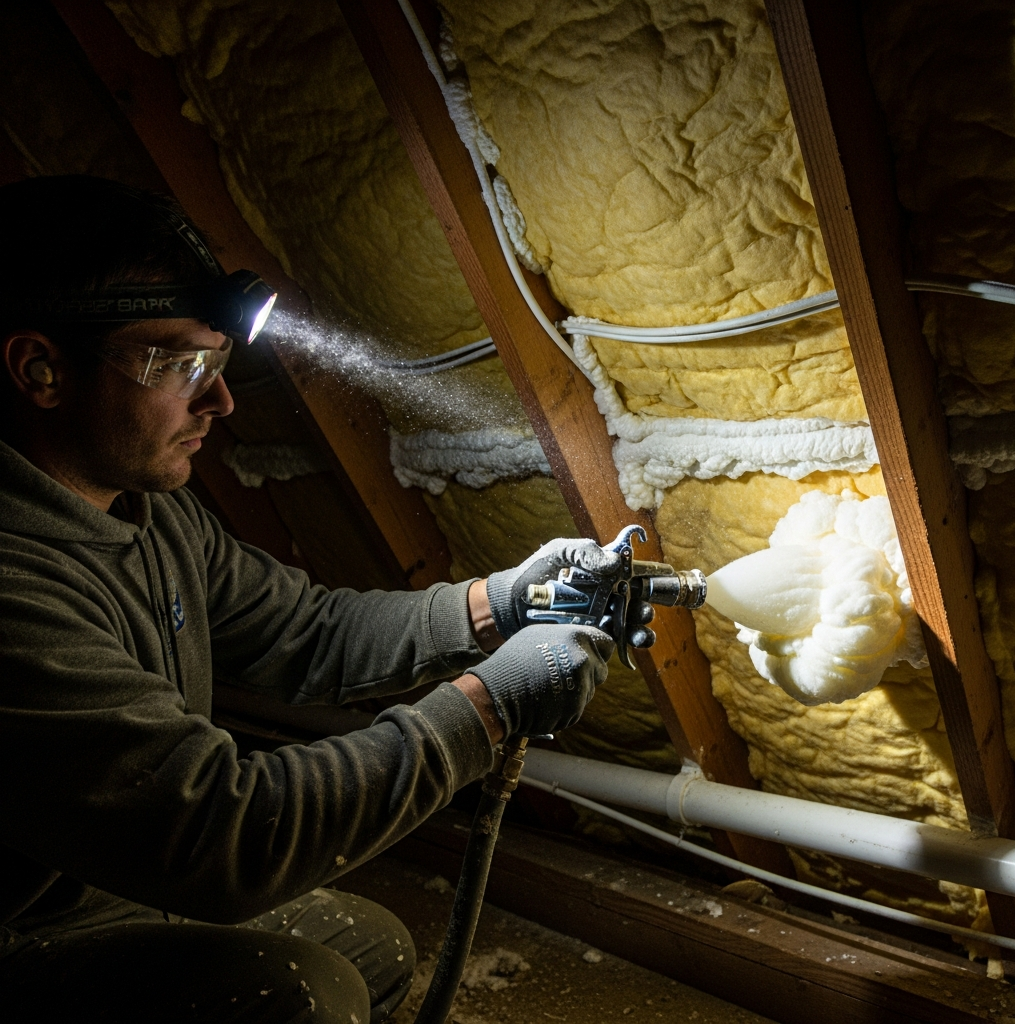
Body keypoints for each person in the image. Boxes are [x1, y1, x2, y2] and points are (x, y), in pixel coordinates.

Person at [0, 176, 628, 1023]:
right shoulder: (16, 588)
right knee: (308, 996)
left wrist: (501, 603)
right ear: (40, 370)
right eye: (180, 363)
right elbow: (223, 837)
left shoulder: (151, 512)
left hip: (103, 883)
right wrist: (487, 708)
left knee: (367, 946)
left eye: (218, 362)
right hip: (25, 929)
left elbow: (306, 630)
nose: (219, 399)